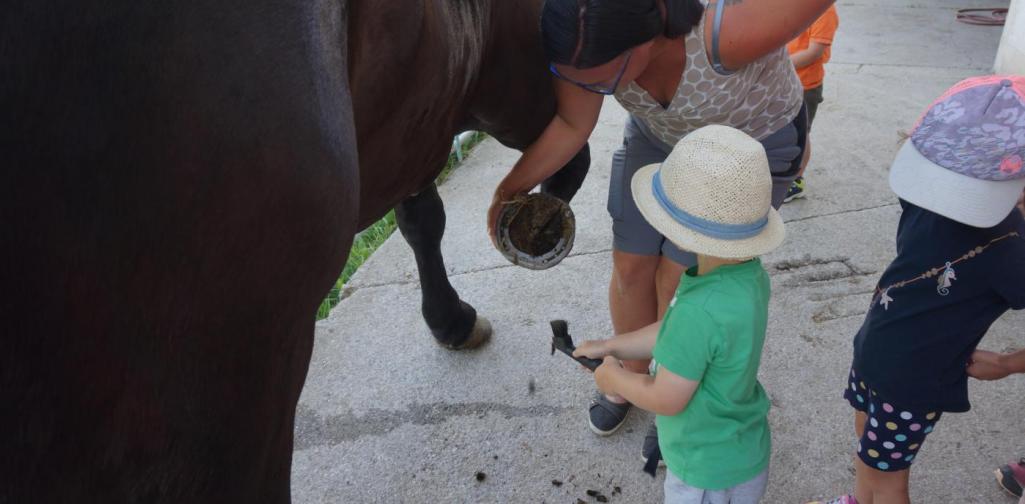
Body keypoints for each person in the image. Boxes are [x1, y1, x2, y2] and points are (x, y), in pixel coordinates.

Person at [487, 0, 833, 440]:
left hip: (744, 150)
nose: (590, 90)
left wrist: (798, 135)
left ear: (645, 39)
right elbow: (573, 124)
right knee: (631, 265)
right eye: (578, 81)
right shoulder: (584, 46)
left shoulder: (726, 35)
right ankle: (632, 378)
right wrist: (507, 191)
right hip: (661, 136)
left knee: (680, 281)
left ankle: (672, 393)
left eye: (601, 81)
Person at [810, 76, 1025, 504]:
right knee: (867, 445)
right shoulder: (925, 196)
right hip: (873, 349)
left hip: (914, 379)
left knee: (887, 476)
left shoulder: (1012, 248)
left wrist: (1009, 363)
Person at [572, 125, 785, 504]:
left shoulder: (698, 311)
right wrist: (612, 346)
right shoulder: (745, 276)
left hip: (703, 470)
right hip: (741, 447)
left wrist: (614, 378)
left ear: (680, 230)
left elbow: (667, 398)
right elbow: (674, 333)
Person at [784, 5, 840, 202]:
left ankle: (796, 180)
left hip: (805, 85)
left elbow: (814, 51)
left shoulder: (823, 10)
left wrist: (778, 65)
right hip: (781, 81)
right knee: (781, 130)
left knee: (800, 133)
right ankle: (781, 173)